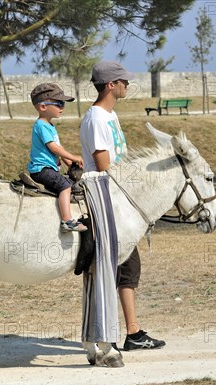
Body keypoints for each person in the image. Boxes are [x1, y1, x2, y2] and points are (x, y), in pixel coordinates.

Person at [80, 61, 166, 351]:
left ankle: (132, 332)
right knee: (119, 269)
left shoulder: (110, 115)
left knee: (129, 268)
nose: (127, 85)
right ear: (110, 85)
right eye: (123, 81)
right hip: (106, 200)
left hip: (120, 201)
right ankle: (113, 335)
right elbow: (105, 165)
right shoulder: (96, 119)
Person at [27, 83, 87, 232]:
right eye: (59, 103)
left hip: (49, 167)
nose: (62, 107)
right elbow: (53, 147)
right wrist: (73, 156)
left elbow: (57, 150)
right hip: (42, 169)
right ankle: (67, 221)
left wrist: (69, 162)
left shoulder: (50, 126)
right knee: (65, 186)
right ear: (43, 107)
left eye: (63, 103)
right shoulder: (41, 125)